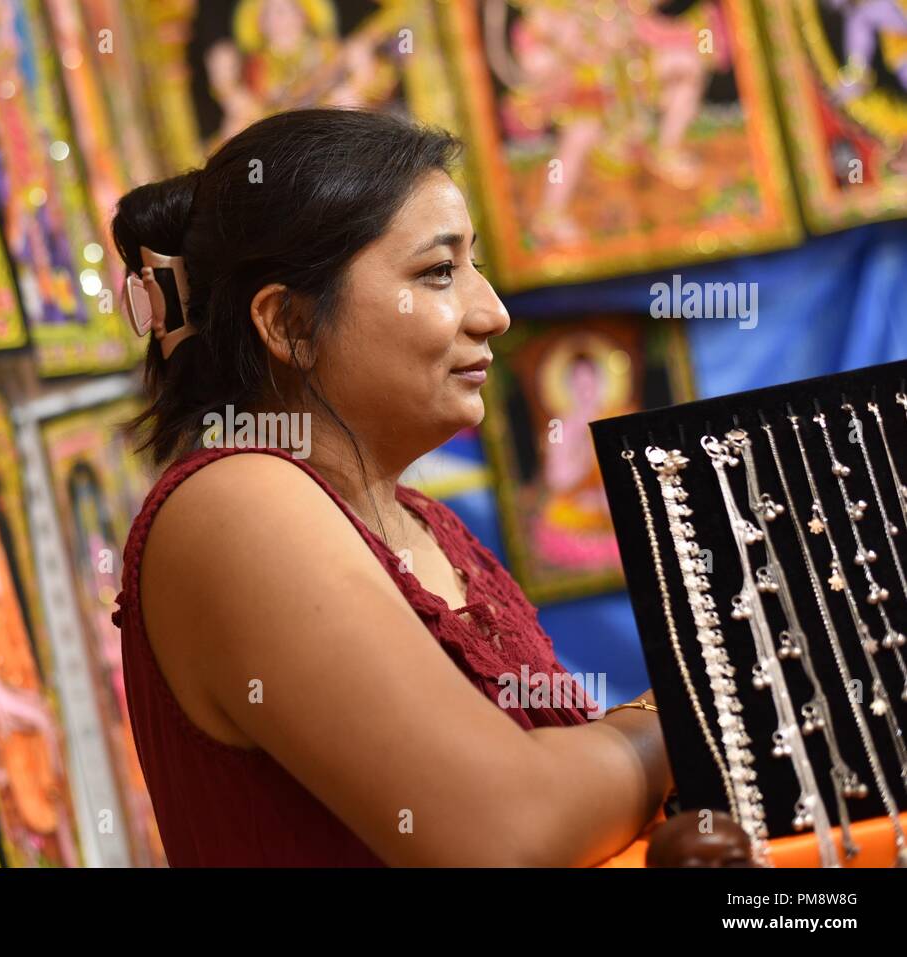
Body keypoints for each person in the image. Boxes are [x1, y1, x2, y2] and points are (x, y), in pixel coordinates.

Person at [110, 107, 671, 866]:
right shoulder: (235, 503)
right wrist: (682, 714)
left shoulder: (427, 523)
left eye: (475, 266)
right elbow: (503, 828)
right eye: (439, 271)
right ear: (291, 324)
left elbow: (561, 797)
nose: (493, 312)